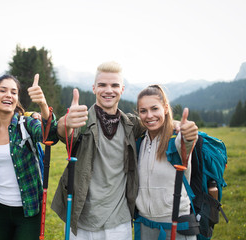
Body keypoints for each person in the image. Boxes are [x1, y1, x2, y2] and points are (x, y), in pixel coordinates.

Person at [51, 61, 144, 240]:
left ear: (122, 89)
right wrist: (66, 122)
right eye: (102, 85)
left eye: (114, 85)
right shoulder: (81, 120)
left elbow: (155, 122)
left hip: (118, 221)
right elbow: (65, 132)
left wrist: (176, 124)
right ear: (94, 88)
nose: (108, 90)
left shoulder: (131, 125)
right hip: (80, 220)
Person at [0, 74, 58, 240]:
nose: (9, 95)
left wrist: (43, 105)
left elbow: (49, 136)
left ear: (17, 99)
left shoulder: (27, 124)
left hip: (28, 210)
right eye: (3, 90)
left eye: (13, 92)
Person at [134, 85, 199, 240]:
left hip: (176, 226)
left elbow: (186, 142)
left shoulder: (174, 140)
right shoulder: (140, 141)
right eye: (143, 111)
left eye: (154, 109)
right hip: (144, 225)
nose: (149, 115)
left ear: (165, 108)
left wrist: (188, 134)